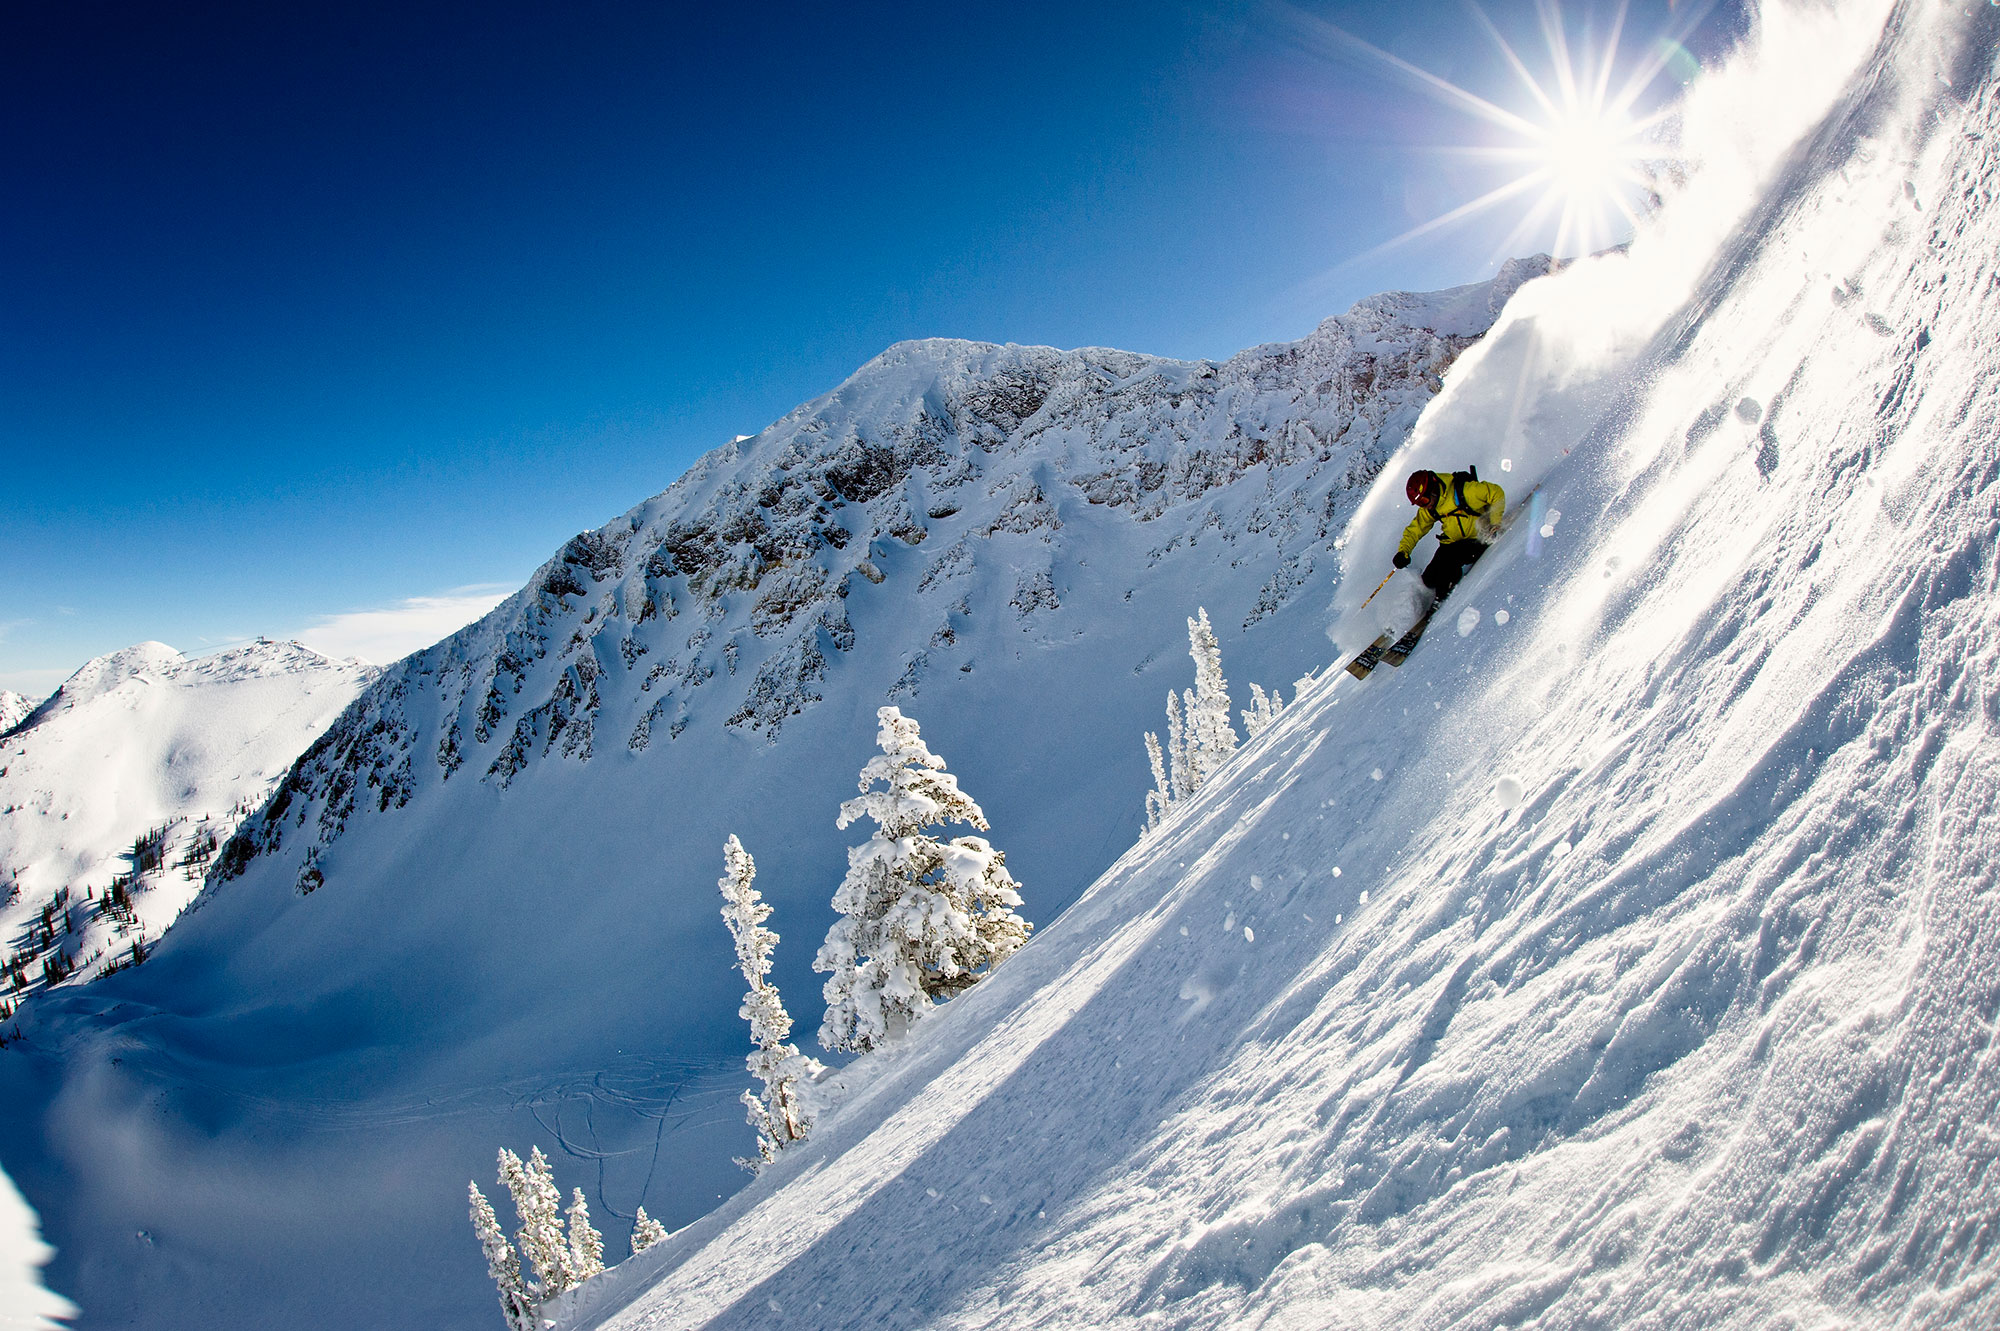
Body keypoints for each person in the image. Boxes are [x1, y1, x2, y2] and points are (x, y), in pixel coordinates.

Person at [1391, 468, 1505, 602]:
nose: (1424, 506)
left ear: (1432, 490)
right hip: (1452, 544)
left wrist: (1495, 524)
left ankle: (1441, 600)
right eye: (1420, 504)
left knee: (1449, 565)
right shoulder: (1431, 507)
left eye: (1424, 501)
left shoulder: (1465, 491)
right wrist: (1403, 551)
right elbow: (1415, 529)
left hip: (1477, 540)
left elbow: (1496, 493)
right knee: (1429, 579)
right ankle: (1434, 592)